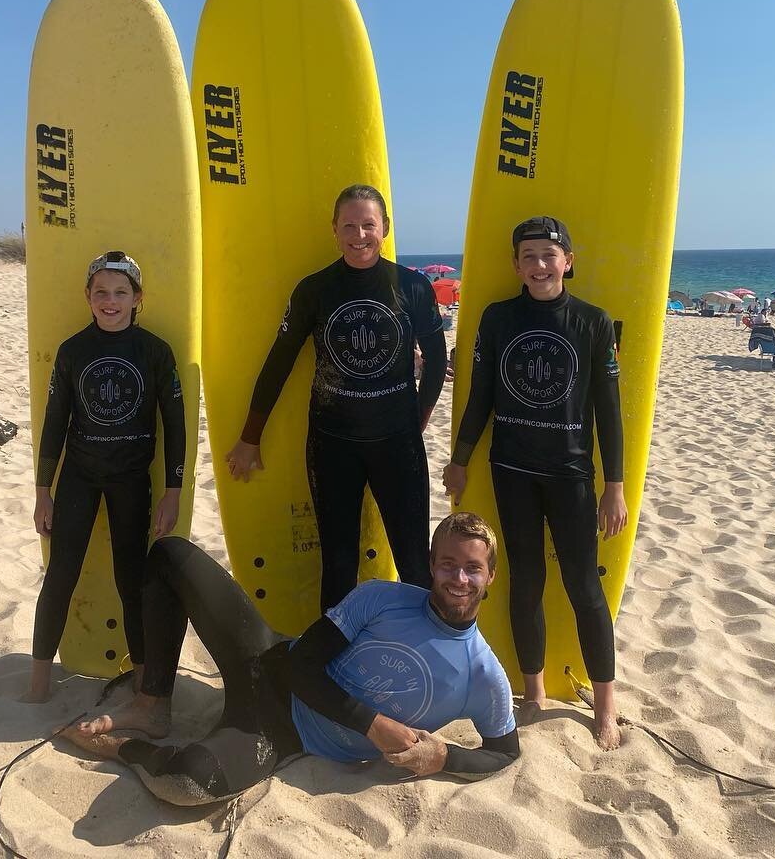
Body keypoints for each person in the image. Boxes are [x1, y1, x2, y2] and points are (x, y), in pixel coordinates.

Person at [61, 513, 521, 804]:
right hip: (268, 658)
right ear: (431, 563)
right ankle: (151, 704)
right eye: (447, 564)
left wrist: (444, 757)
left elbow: (504, 754)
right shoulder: (382, 599)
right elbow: (300, 666)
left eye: (472, 568)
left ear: (491, 576)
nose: (458, 578)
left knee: (187, 784)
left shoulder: (484, 676)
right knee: (170, 554)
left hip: (280, 731)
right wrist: (374, 725)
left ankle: (123, 748)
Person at [441, 216, 626, 750]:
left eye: (549, 255)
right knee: (524, 583)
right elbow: (481, 398)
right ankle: (534, 694)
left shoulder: (593, 323)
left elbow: (609, 413)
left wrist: (614, 486)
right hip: (513, 471)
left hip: (570, 475)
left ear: (567, 261)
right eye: (528, 256)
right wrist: (460, 458)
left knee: (584, 589)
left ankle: (607, 705)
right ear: (516, 265)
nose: (539, 265)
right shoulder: (498, 318)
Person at [225, 184, 448, 610]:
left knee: (415, 563)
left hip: (397, 443)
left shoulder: (413, 286)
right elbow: (280, 361)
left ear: (385, 227)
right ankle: (336, 667)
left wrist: (419, 418)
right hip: (333, 444)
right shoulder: (315, 289)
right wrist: (250, 436)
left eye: (368, 224)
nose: (359, 234)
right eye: (349, 225)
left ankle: (424, 660)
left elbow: (436, 359)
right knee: (339, 563)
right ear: (334, 229)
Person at [24, 252, 186, 702]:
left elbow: (176, 424)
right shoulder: (73, 351)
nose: (110, 301)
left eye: (120, 292)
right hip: (80, 476)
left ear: (137, 297)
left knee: (131, 579)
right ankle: (38, 683)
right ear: (88, 297)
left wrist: (173, 492)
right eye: (101, 292)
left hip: (132, 480)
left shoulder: (155, 351)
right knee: (61, 574)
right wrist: (43, 492)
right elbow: (54, 424)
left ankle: (140, 680)